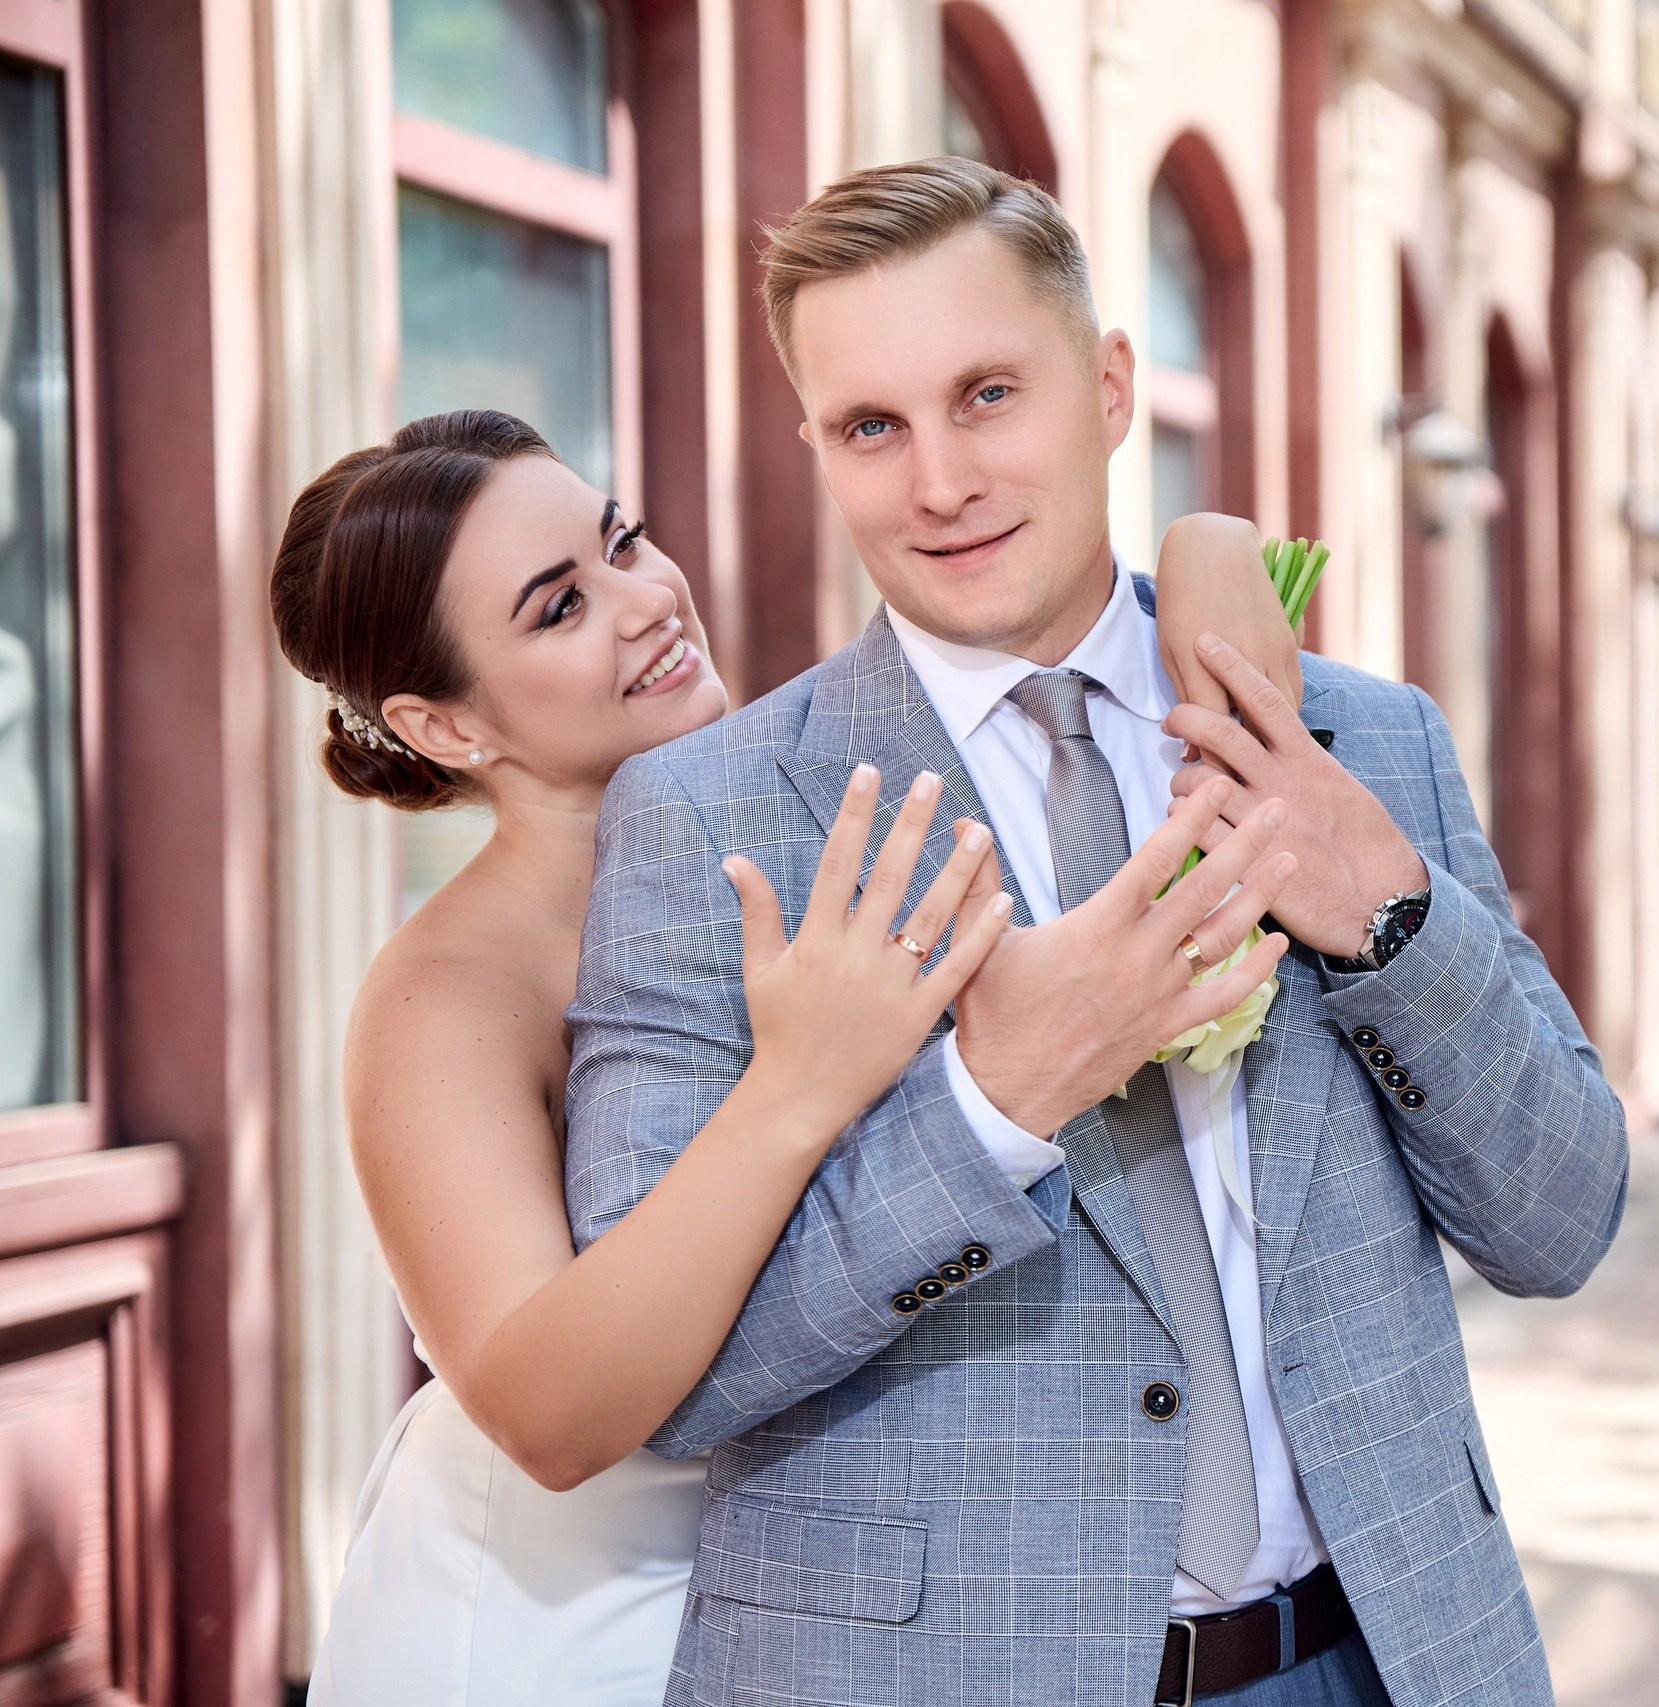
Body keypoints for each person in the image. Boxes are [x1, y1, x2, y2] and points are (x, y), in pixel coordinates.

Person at [564, 157, 1628, 1707]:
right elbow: (665, 1383)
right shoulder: (710, 816)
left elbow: (1564, 1221)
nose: (938, 481)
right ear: (816, 445)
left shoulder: (1360, 740)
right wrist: (988, 1106)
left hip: (1380, 1658)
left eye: (989, 393)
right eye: (873, 426)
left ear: (1112, 383)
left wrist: (1384, 921)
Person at [267, 406, 1305, 1706]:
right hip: (586, 1635)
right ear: (446, 729)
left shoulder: (819, 802)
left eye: (623, 541)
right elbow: (546, 1415)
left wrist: (1208, 552)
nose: (646, 599)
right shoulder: (445, 997)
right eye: (558, 609)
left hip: (881, 1605)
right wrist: (801, 1085)